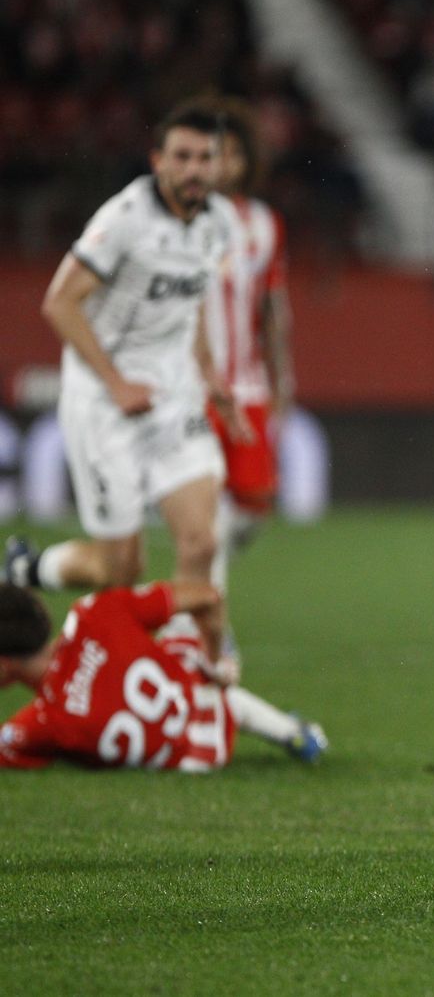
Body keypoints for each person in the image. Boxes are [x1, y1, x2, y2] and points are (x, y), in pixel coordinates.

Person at [5, 100, 250, 677]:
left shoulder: (219, 224)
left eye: (205, 158)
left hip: (173, 398)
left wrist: (211, 379)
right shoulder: (124, 221)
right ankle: (30, 571)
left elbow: (189, 309)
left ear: (219, 166)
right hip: (103, 401)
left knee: (201, 544)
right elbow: (59, 304)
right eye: (183, 157)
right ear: (158, 161)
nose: (195, 169)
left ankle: (192, 672)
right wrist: (115, 384)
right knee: (123, 568)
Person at [0, 580, 325, 770]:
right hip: (208, 713)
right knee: (182, 632)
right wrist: (215, 659)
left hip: (195, 761)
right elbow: (208, 596)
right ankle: (290, 730)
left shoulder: (44, 723)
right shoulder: (93, 611)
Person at [202, 96, 296, 661]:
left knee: (254, 507)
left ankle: (196, 581)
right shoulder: (181, 218)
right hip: (192, 390)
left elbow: (273, 309)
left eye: (231, 154)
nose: (221, 165)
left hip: (250, 386)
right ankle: (212, 623)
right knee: (210, 513)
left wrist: (285, 379)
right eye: (212, 154)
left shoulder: (264, 225)